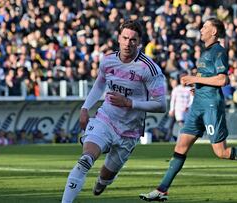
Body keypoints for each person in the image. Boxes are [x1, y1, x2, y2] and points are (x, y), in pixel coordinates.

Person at [139, 18, 237, 202]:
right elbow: (208, 78)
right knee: (180, 146)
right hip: (198, 104)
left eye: (205, 26)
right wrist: (197, 87)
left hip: (211, 106)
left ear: (214, 32)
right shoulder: (205, 53)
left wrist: (195, 80)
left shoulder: (219, 51)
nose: (201, 29)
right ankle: (162, 190)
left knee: (221, 152)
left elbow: (222, 80)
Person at [61, 20, 167, 203]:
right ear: (119, 38)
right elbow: (99, 84)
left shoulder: (149, 69)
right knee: (85, 160)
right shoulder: (108, 61)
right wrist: (85, 107)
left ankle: (102, 182)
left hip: (129, 131)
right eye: (125, 38)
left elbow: (161, 105)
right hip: (106, 119)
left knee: (105, 178)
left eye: (133, 40)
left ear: (139, 42)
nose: (128, 43)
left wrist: (129, 102)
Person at [168, 72, 194, 141]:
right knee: (180, 123)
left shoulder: (190, 89)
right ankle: (179, 139)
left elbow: (192, 99)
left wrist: (188, 106)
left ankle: (181, 139)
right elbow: (173, 100)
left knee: (185, 125)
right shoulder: (176, 89)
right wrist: (171, 109)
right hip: (178, 110)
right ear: (180, 80)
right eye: (182, 80)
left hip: (187, 110)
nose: (183, 81)